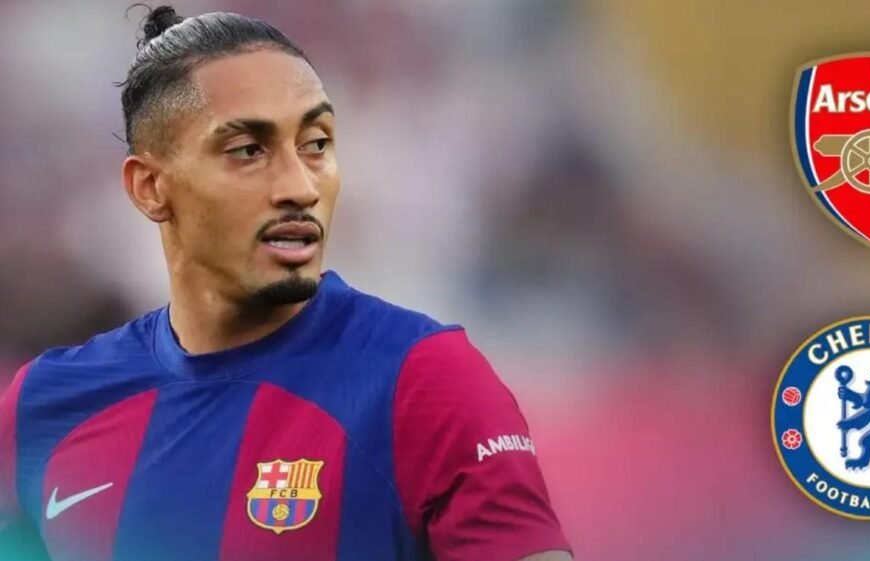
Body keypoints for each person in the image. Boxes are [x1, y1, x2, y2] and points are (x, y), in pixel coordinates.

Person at [0, 6, 571, 561]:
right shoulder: (41, 407)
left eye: (316, 144)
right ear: (150, 187)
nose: (300, 186)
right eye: (248, 151)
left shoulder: (423, 379)